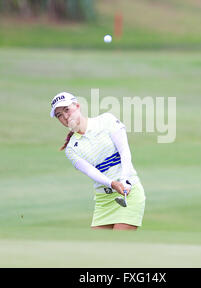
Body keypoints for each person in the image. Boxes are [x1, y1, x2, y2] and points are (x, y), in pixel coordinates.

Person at [50, 92, 146, 230]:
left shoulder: (106, 120)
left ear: (77, 106)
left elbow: (124, 152)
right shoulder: (71, 149)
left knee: (119, 247)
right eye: (59, 115)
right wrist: (112, 183)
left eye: (67, 110)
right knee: (98, 249)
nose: (65, 116)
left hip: (128, 193)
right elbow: (91, 171)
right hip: (104, 200)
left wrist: (124, 179)